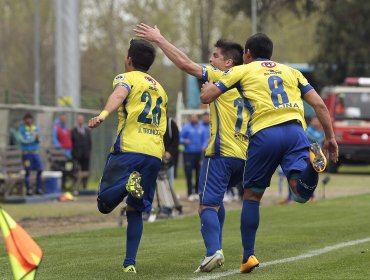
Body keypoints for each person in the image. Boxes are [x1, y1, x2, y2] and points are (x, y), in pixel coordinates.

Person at [200, 33, 338, 273]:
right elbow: (319, 105)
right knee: (300, 194)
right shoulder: (290, 72)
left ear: (247, 54)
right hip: (296, 132)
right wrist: (330, 138)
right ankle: (311, 167)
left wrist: (208, 88)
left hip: (265, 134)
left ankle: (248, 256)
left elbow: (207, 97)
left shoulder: (242, 70)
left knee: (252, 197)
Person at [134, 23, 249, 272]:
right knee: (215, 203)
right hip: (244, 156)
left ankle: (213, 251)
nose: (210, 59)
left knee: (206, 205)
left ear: (229, 63)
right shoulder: (249, 85)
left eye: (216, 56)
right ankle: (220, 248)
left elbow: (186, 64)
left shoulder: (223, 77)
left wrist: (159, 39)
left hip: (221, 153)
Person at [88, 39, 168, 274]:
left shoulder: (126, 78)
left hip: (130, 148)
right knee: (136, 209)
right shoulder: (161, 89)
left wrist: (103, 115)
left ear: (129, 59)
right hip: (154, 153)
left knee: (104, 204)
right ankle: (129, 263)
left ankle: (126, 183)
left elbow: (119, 95)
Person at [180, 114, 206, 201]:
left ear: (197, 119)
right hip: (188, 154)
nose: (194, 119)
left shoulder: (201, 128)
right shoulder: (186, 128)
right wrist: (184, 141)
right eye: (192, 117)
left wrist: (204, 146)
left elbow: (204, 140)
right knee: (189, 174)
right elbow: (179, 138)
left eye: (195, 117)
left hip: (198, 154)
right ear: (190, 119)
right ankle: (189, 193)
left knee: (199, 173)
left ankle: (197, 192)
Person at [18, 113, 43, 196]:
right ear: (24, 120)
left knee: (40, 169)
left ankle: (38, 188)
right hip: (27, 154)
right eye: (26, 119)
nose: (28, 120)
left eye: (30, 119)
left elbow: (40, 139)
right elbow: (23, 140)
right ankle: (28, 189)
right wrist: (33, 138)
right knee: (28, 171)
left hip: (35, 153)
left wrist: (37, 137)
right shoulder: (22, 130)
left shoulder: (36, 129)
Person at [72, 114, 92, 189]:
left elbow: (90, 143)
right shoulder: (73, 131)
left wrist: (89, 153)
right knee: (75, 171)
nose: (80, 121)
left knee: (85, 171)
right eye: (79, 119)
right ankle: (75, 187)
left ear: (83, 121)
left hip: (85, 155)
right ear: (77, 121)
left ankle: (84, 187)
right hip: (76, 155)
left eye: (81, 119)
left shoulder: (87, 131)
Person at [163, 116, 179, 187]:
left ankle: (169, 193)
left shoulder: (170, 123)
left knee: (169, 181)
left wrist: (170, 152)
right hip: (154, 156)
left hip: (168, 158)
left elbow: (176, 139)